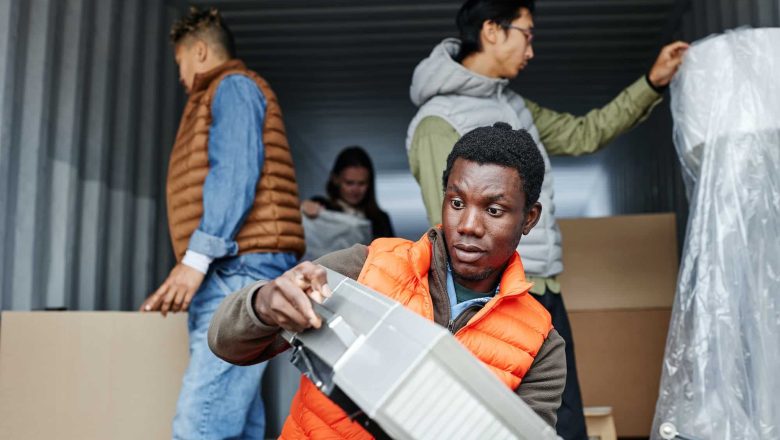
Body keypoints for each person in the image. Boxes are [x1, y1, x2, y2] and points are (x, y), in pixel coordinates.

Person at [405, 1, 688, 438]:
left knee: (564, 416)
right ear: (492, 31)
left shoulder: (514, 106)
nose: (532, 50)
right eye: (528, 34)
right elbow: (448, 234)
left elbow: (583, 133)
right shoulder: (437, 122)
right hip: (495, 298)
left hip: (544, 286)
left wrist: (652, 82)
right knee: (495, 420)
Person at [208, 122, 567, 439]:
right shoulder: (365, 267)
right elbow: (227, 344)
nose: (469, 225)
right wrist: (262, 304)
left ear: (529, 218)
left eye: (493, 210)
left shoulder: (540, 344)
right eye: (457, 202)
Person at [139, 7, 305, 439]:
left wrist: (196, 259)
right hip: (237, 269)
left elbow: (234, 174)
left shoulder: (231, 87)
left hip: (238, 270)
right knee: (241, 423)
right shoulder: (219, 95)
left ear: (198, 51)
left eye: (179, 64)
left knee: (201, 425)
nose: (179, 76)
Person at [301, 146, 394, 240]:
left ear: (369, 183)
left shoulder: (381, 220)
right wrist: (304, 208)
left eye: (362, 183)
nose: (355, 190)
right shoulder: (321, 206)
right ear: (335, 179)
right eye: (349, 183)